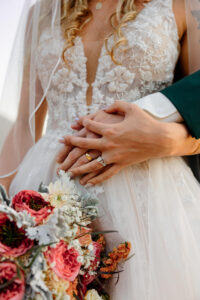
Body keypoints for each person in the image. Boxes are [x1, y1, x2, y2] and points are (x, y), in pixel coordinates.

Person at [1, 0, 200, 299]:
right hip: (43, 187)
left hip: (150, 198)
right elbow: (23, 129)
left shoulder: (185, 6)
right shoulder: (41, 11)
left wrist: (164, 140)